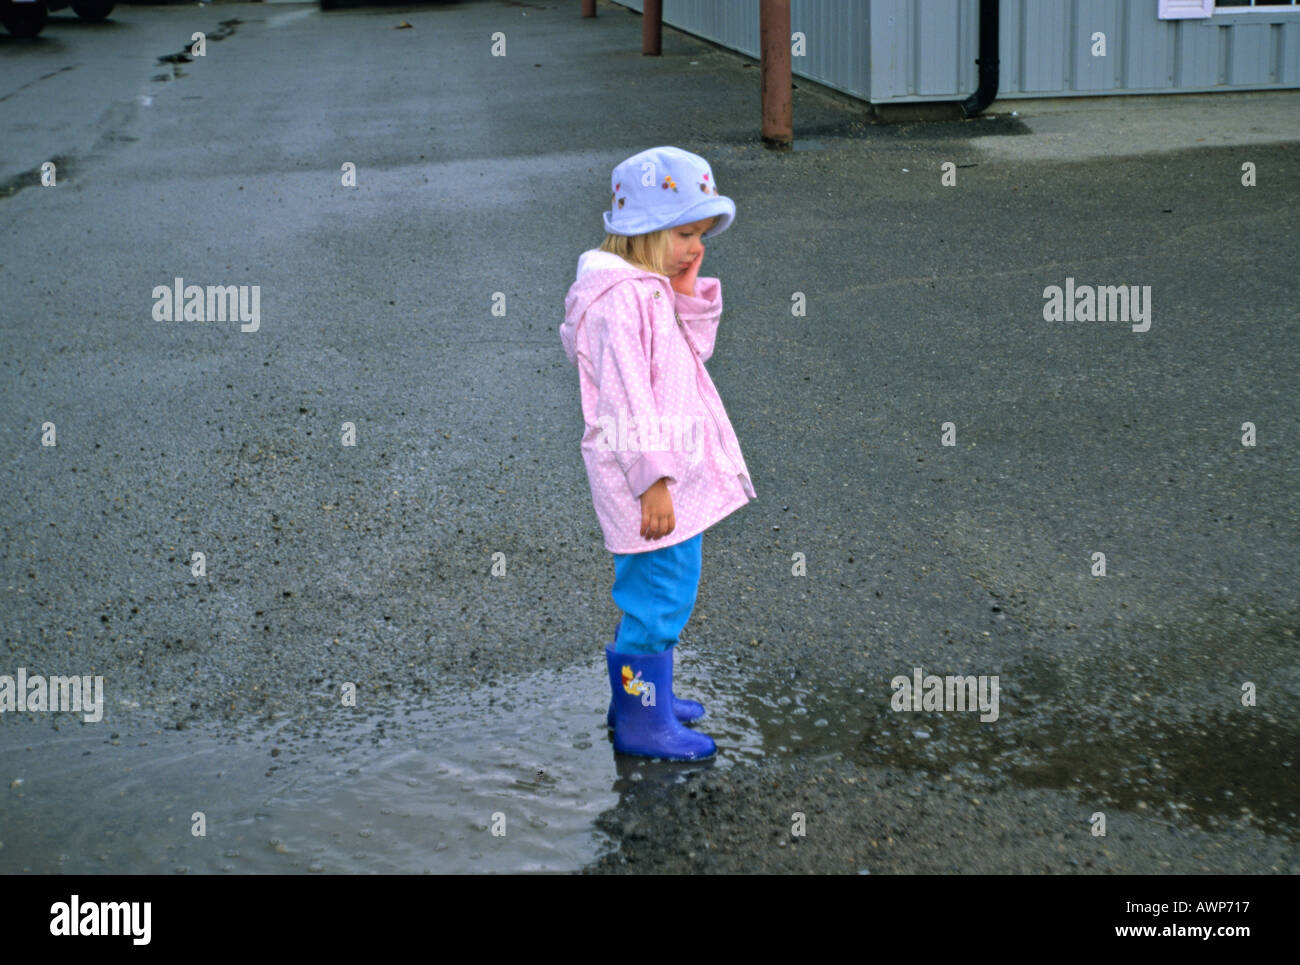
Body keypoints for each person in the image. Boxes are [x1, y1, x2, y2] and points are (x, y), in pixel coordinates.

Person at [560, 146, 756, 761]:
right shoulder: (620, 301)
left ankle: (645, 698)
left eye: (702, 234)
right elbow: (624, 401)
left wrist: (687, 288)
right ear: (642, 231)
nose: (696, 246)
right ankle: (643, 721)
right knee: (659, 595)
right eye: (684, 233)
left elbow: (692, 350)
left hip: (668, 474)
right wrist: (652, 482)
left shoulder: (649, 288)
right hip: (648, 479)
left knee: (663, 592)